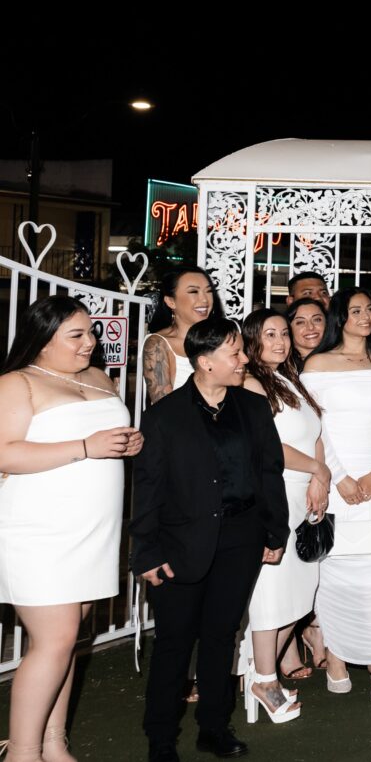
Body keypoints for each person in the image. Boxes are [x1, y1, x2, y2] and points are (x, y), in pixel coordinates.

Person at [134, 316, 289, 762]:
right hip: (181, 544)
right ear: (204, 363)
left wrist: (274, 528)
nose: (244, 359)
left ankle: (214, 728)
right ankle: (160, 738)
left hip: (242, 538)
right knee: (174, 644)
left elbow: (269, 472)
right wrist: (146, 550)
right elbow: (148, 487)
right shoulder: (164, 416)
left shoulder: (253, 408)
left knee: (223, 637)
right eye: (235, 353)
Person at [0, 297, 142, 762]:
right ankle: (21, 753)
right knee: (55, 640)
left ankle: (53, 744)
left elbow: (106, 439)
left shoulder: (100, 379)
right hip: (40, 529)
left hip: (93, 529)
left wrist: (126, 443)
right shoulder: (16, 383)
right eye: (76, 336)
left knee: (65, 644)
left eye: (91, 332)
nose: (91, 343)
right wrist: (85, 445)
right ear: (42, 341)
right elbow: (4, 454)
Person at [299, 287, 371, 701]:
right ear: (340, 317)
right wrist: (339, 477)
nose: (365, 317)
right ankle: (338, 659)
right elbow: (315, 426)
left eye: (369, 310)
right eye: (356, 311)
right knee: (334, 571)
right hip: (334, 480)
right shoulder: (317, 365)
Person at [240, 310, 330, 722]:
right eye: (269, 335)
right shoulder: (251, 382)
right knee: (271, 594)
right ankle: (263, 677)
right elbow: (266, 447)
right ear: (251, 340)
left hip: (305, 493)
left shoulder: (287, 378)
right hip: (275, 493)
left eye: (283, 334)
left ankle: (255, 669)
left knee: (297, 591)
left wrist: (319, 477)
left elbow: (315, 436)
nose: (280, 341)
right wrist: (316, 471)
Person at [142, 266, 216, 402]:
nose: (205, 299)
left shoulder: (221, 337)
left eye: (209, 291)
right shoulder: (158, 343)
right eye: (194, 291)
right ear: (171, 301)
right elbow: (163, 407)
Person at [284, 297, 326, 371]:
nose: (310, 327)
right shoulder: (283, 368)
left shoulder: (341, 361)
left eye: (317, 320)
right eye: (300, 322)